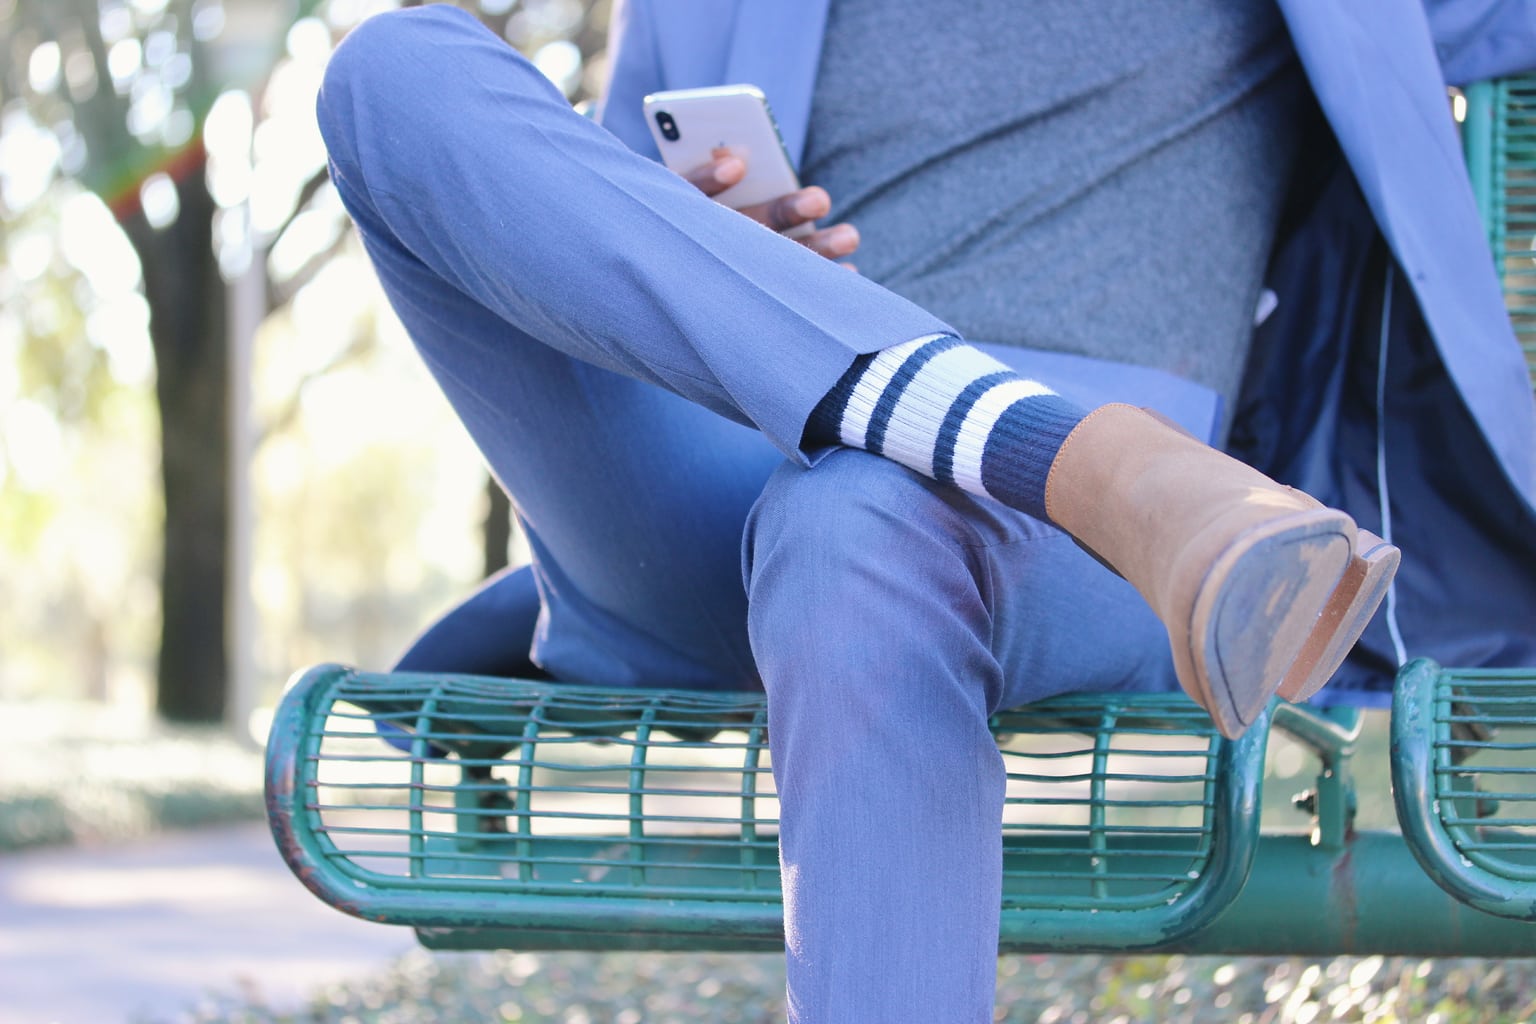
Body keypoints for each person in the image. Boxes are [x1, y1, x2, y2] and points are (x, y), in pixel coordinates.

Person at [315, 1, 1536, 1019]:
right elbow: (580, 225)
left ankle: (1041, 458)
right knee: (391, 73)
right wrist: (716, 249)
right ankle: (1074, 456)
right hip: (746, 470)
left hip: (1055, 563)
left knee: (861, 519)